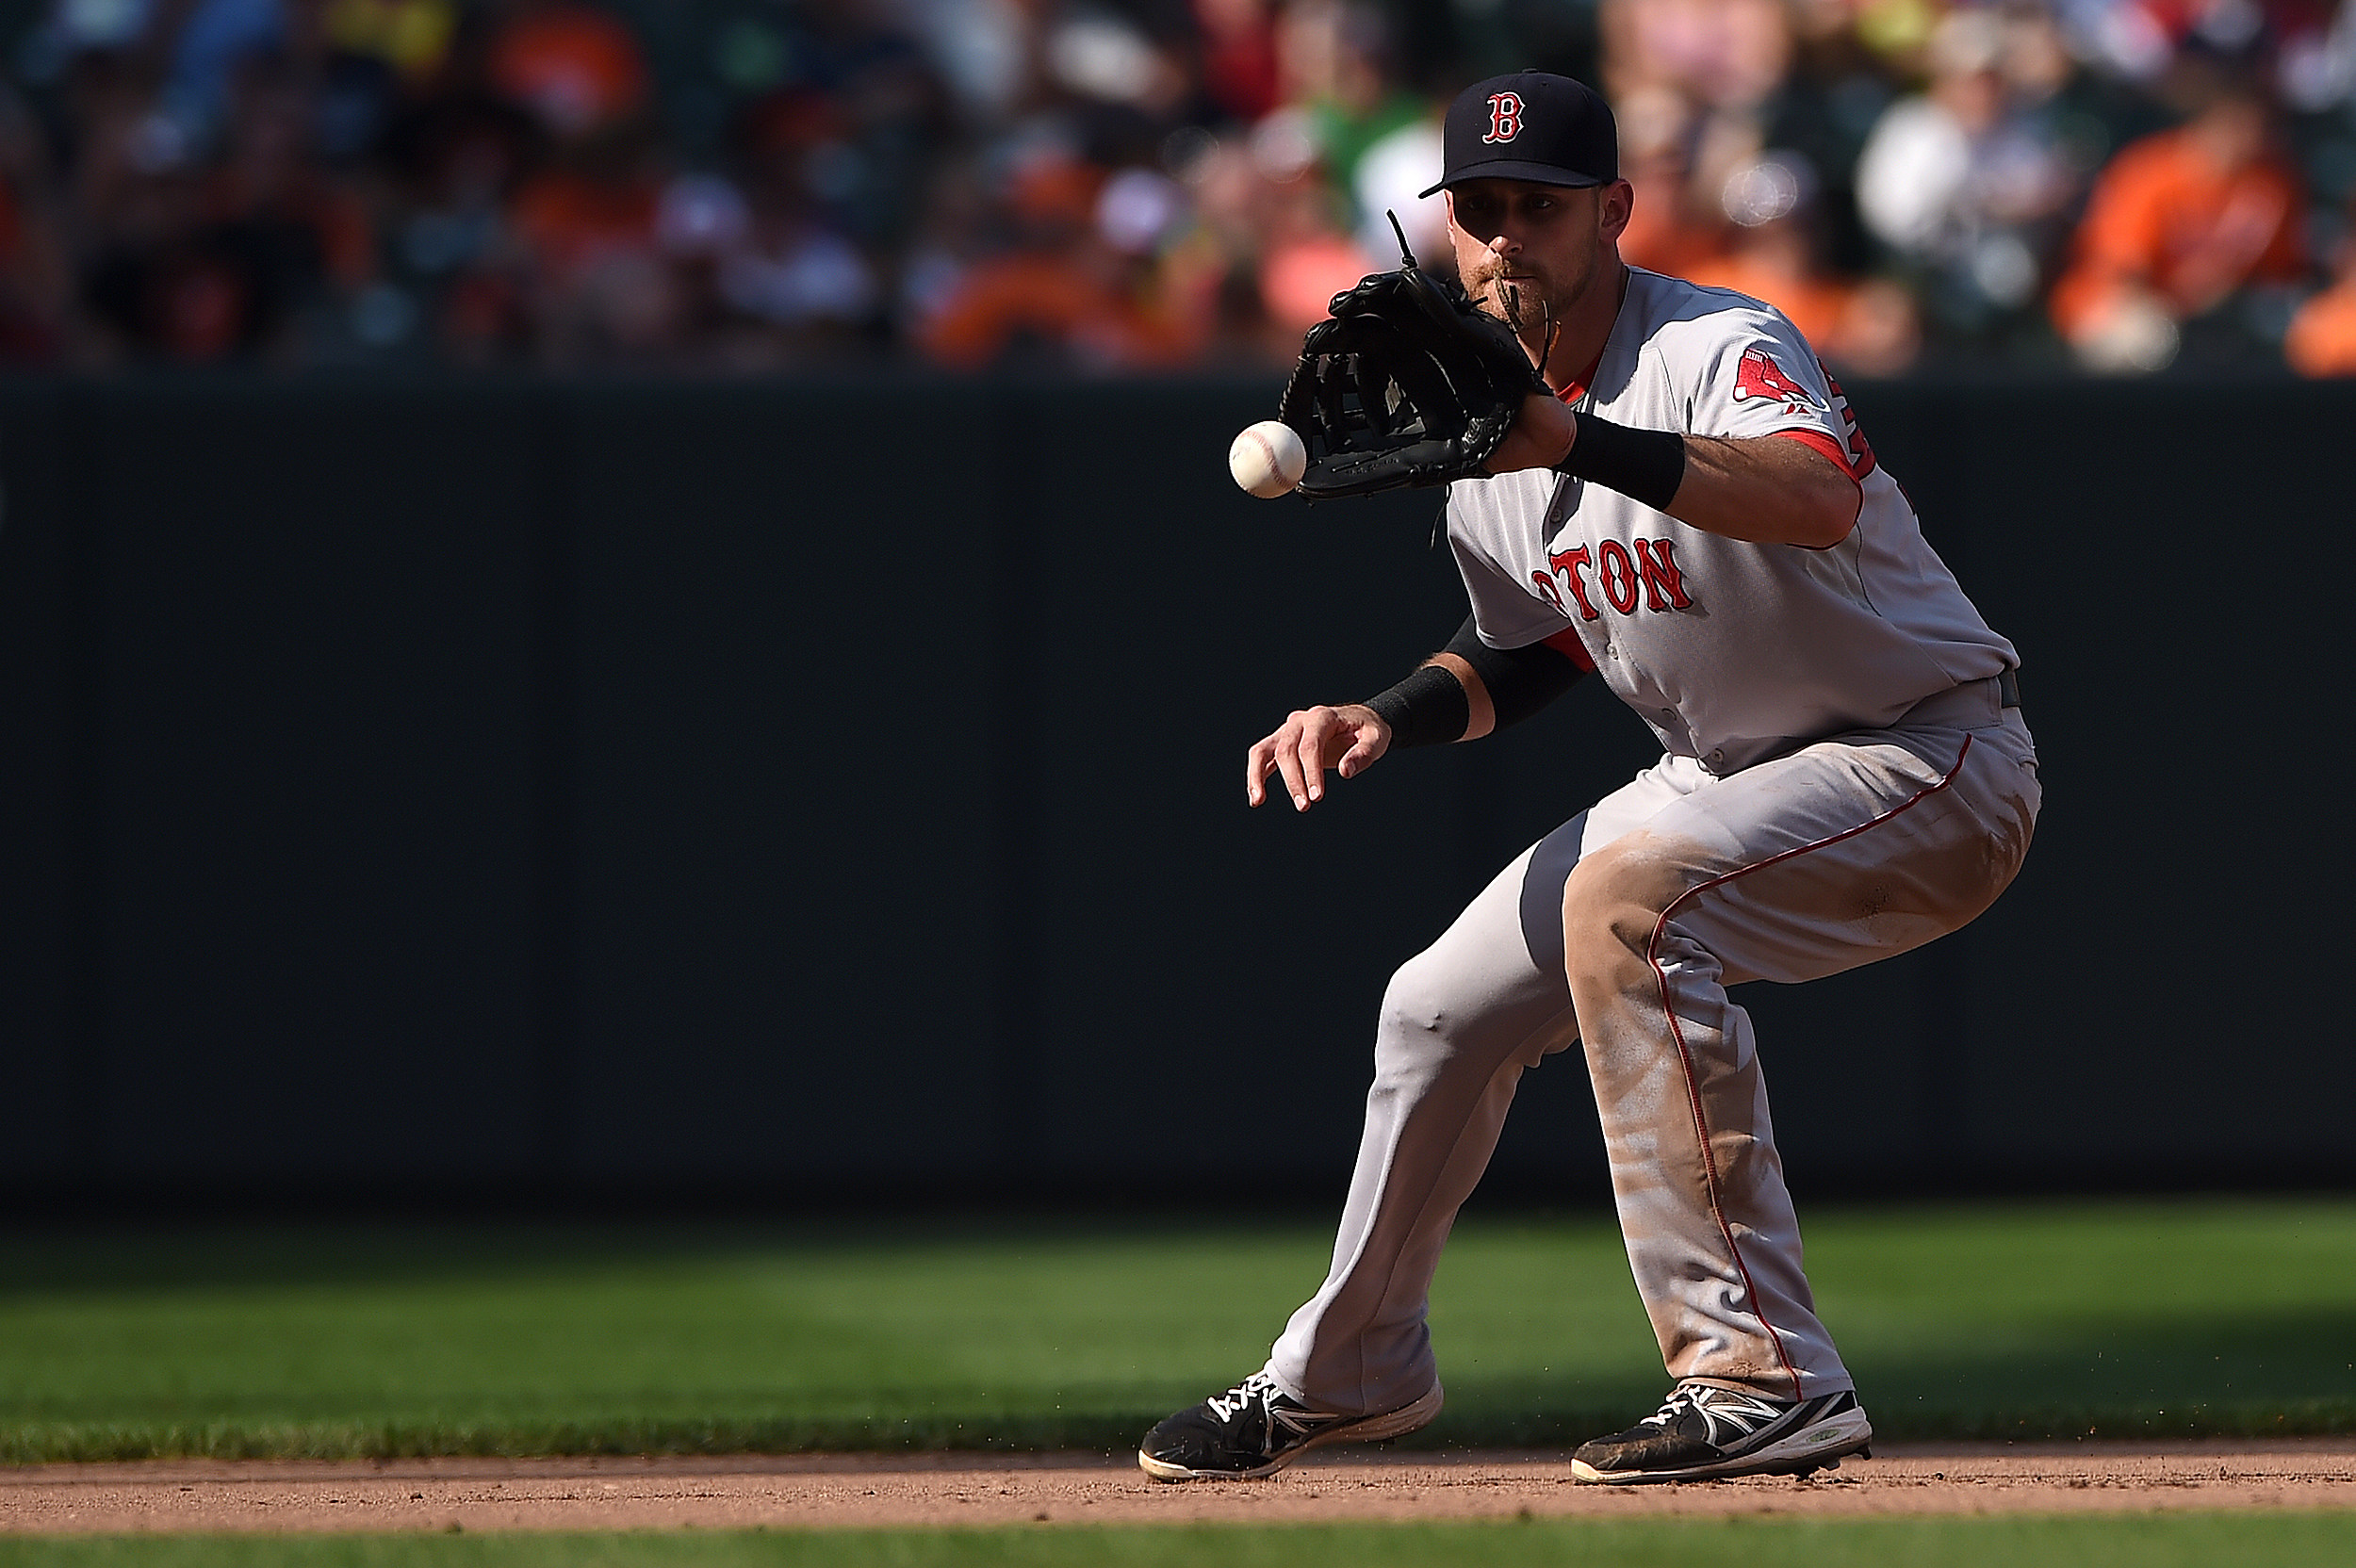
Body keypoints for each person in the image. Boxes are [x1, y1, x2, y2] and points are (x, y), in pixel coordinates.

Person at [1137, 71, 2040, 1486]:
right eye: (1477, 211)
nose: (1503, 240)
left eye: (1538, 210)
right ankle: (1355, 1363)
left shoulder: (1719, 343)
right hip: (1716, 774)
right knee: (1437, 1006)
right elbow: (1537, 646)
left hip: (1926, 752)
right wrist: (1383, 715)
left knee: (1633, 905)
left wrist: (1577, 438)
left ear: (1613, 212)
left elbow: (1814, 495)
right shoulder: (1481, 429)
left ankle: (1761, 1375)